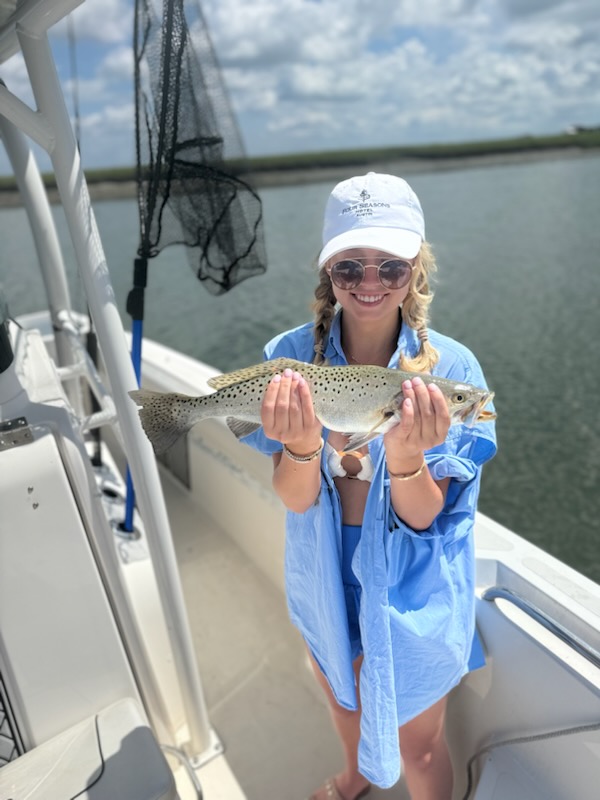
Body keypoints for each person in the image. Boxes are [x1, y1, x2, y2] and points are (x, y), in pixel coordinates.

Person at [242, 172, 496, 800]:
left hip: (413, 577)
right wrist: (301, 448)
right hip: (324, 563)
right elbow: (298, 498)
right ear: (328, 274)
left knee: (421, 743)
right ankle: (356, 773)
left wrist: (408, 457)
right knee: (340, 692)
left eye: (391, 267)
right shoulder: (290, 356)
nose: (370, 284)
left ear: (417, 269)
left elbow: (424, 518)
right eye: (350, 267)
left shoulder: (454, 371)